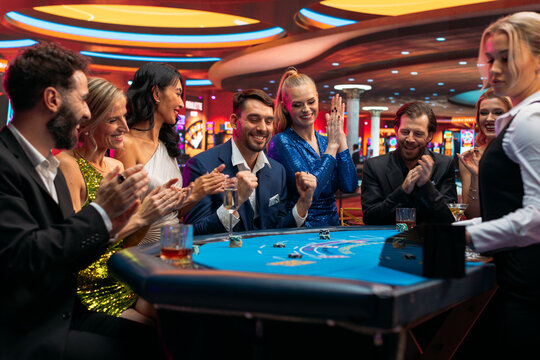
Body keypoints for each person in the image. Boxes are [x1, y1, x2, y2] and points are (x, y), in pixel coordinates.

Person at [0, 42, 159, 359]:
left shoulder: (51, 168)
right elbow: (25, 254)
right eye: (84, 99)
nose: (87, 113)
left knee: (163, 338)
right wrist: (102, 213)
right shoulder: (5, 163)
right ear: (52, 99)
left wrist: (116, 222)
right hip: (24, 330)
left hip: (62, 313)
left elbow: (68, 250)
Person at [57, 77, 185, 323]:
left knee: (181, 313)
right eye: (113, 120)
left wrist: (156, 210)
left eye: (125, 118)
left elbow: (126, 242)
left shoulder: (115, 165)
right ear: (86, 121)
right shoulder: (68, 165)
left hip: (124, 275)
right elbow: (74, 249)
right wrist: (143, 215)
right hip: (92, 292)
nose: (125, 128)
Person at [463, 12, 540, 358]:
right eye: (491, 59)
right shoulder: (523, 117)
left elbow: (537, 217)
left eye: (506, 58)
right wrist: (461, 226)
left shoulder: (529, 121)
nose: (493, 70)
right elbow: (514, 204)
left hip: (531, 287)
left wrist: (465, 237)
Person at [115, 62, 226, 245]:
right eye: (177, 93)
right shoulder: (127, 144)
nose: (181, 103)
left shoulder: (167, 146)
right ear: (156, 94)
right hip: (143, 250)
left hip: (175, 244)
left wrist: (199, 192)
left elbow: (174, 213)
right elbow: (126, 223)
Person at [182, 89, 317, 235]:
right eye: (254, 120)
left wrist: (303, 203)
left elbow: (278, 229)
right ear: (234, 121)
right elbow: (194, 234)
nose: (263, 128)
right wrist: (235, 200)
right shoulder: (202, 165)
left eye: (268, 121)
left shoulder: (277, 170)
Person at [267, 68, 358, 227]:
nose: (306, 109)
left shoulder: (324, 141)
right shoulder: (281, 141)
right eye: (297, 105)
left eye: (310, 102)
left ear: (317, 98)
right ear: (285, 106)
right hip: (301, 231)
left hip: (332, 229)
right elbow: (311, 191)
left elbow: (349, 186)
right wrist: (332, 147)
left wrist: (341, 138)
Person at [361, 101, 457, 225]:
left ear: (429, 136)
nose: (410, 139)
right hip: (390, 241)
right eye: (405, 132)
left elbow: (449, 219)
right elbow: (370, 218)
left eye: (418, 134)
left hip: (429, 242)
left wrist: (426, 186)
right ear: (396, 131)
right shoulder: (374, 166)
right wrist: (402, 191)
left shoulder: (445, 165)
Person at [459, 89, 512, 218]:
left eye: (498, 113)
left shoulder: (525, 150)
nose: (489, 119)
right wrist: (476, 176)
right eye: (483, 113)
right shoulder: (469, 157)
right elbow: (472, 214)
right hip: (486, 232)